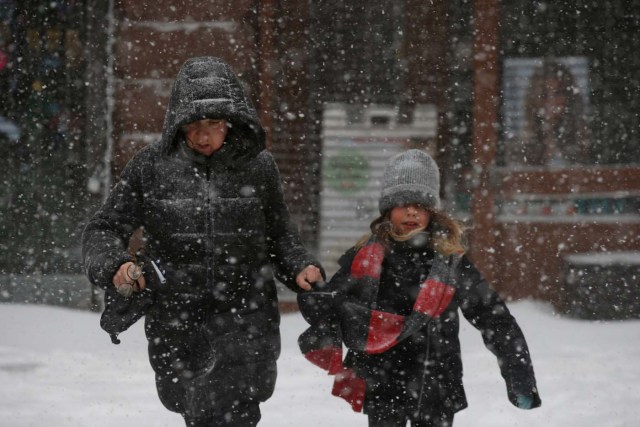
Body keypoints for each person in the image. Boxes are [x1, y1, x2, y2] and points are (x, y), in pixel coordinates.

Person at [82, 56, 324, 426]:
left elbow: (279, 235)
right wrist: (116, 265)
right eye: (194, 124)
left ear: (232, 121)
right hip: (178, 318)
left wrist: (300, 266)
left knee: (239, 411)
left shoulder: (258, 166)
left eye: (214, 124)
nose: (205, 135)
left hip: (246, 315)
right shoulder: (151, 166)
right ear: (178, 123)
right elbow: (104, 228)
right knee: (194, 411)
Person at [298, 149, 541, 427]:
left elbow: (494, 319)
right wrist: (315, 285)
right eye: (403, 203)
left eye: (420, 204)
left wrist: (519, 374)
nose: (412, 211)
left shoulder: (451, 263)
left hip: (435, 384)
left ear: (431, 211)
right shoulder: (365, 257)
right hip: (382, 383)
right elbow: (334, 304)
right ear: (388, 209)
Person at [507, 59, 590, 166]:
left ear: (569, 97)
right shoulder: (520, 145)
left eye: (558, 93)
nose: (551, 102)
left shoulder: (584, 141)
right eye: (544, 94)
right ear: (533, 99)